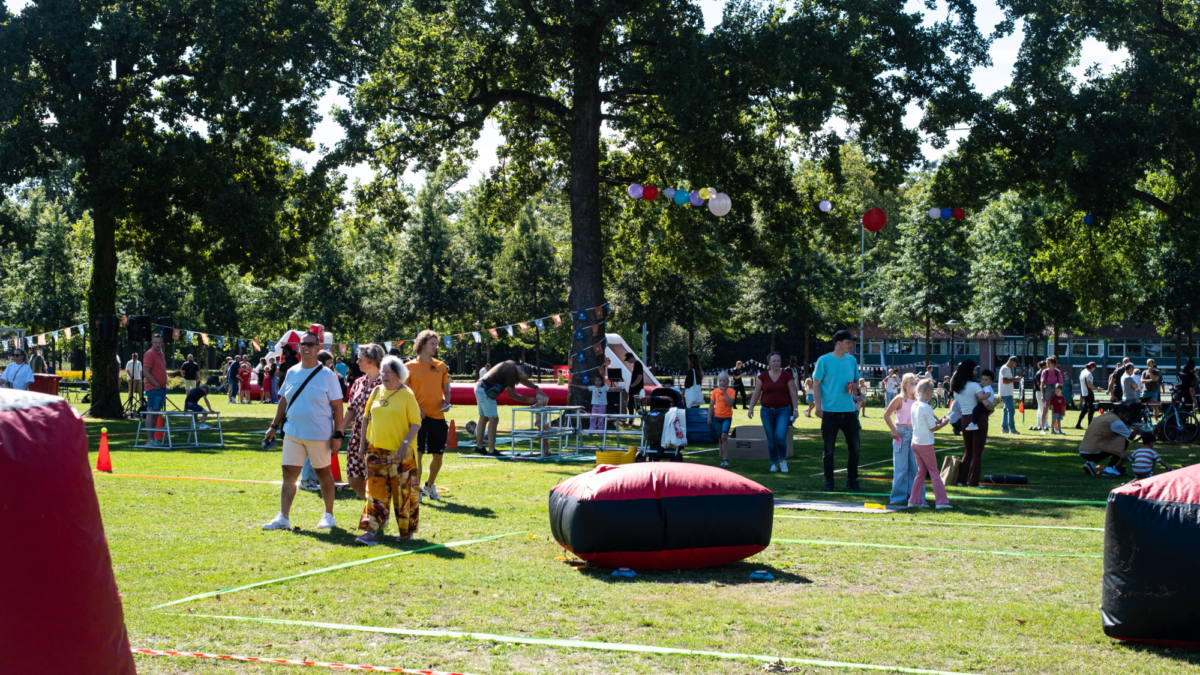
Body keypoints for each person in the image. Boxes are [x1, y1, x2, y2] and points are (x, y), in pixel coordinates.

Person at [262, 331, 345, 532]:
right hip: (293, 432)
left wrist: (337, 434)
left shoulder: (328, 376)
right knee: (288, 474)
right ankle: (283, 517)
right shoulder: (292, 371)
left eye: (310, 344)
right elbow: (283, 400)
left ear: (318, 347)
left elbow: (337, 407)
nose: (306, 347)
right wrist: (273, 425)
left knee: (323, 474)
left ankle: (328, 515)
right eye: (303, 344)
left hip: (319, 434)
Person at [354, 355, 423, 546]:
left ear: (398, 374)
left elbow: (416, 422)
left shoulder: (407, 394)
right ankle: (371, 531)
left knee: (403, 494)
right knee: (374, 492)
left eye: (388, 372)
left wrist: (405, 444)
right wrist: (362, 444)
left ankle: (406, 532)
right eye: (382, 372)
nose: (384, 375)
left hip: (401, 453)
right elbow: (366, 418)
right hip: (376, 450)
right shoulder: (376, 391)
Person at [812, 330, 862, 491]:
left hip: (849, 412)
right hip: (829, 413)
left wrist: (856, 388)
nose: (850, 345)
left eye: (851, 342)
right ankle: (829, 482)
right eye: (848, 342)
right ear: (838, 343)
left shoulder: (852, 360)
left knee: (855, 448)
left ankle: (852, 481)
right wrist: (818, 406)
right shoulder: (824, 360)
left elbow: (856, 382)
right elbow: (816, 384)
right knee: (828, 451)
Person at [406, 330, 451, 502]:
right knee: (417, 455)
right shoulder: (409, 367)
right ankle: (415, 488)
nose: (435, 347)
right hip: (417, 418)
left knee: (438, 456)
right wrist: (415, 408)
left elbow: (446, 391)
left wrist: (447, 402)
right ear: (422, 344)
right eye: (432, 343)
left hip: (438, 418)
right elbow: (405, 393)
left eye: (436, 343)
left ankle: (429, 485)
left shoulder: (441, 366)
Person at [337, 343, 385, 500]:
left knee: (376, 477)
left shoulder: (387, 382)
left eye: (360, 359)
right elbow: (351, 409)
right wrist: (341, 430)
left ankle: (376, 508)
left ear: (372, 359)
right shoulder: (358, 382)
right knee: (353, 478)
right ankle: (372, 505)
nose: (357, 362)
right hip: (357, 435)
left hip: (378, 435)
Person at [474, 360, 548, 456]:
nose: (522, 380)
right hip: (485, 392)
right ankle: (491, 451)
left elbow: (522, 380)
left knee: (483, 418)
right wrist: (530, 400)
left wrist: (535, 388)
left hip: (479, 387)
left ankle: (479, 447)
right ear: (520, 373)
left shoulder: (513, 365)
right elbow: (511, 395)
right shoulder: (511, 374)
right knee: (493, 419)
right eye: (522, 378)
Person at [747, 352, 799, 473]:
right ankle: (774, 463)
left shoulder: (786, 376)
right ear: (769, 363)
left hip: (784, 410)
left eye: (778, 361)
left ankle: (782, 461)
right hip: (766, 411)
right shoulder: (763, 376)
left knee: (780, 436)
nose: (776, 363)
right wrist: (751, 408)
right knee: (771, 439)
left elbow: (793, 393)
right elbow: (756, 393)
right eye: (774, 361)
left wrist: (795, 409)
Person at [910, 378, 952, 509]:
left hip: (915, 442)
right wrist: (944, 424)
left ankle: (914, 500)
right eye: (932, 392)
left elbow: (927, 423)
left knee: (921, 472)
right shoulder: (926, 407)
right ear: (928, 392)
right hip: (925, 444)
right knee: (934, 472)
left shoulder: (915, 405)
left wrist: (939, 422)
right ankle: (941, 502)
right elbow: (933, 428)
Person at [951, 359, 992, 487]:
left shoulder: (957, 387)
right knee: (977, 453)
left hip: (965, 419)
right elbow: (986, 403)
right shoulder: (974, 386)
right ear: (969, 370)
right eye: (974, 370)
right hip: (978, 419)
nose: (976, 372)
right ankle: (973, 482)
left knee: (968, 452)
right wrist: (992, 408)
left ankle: (961, 481)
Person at [883, 373, 918, 506]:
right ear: (904, 385)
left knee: (916, 468)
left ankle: (917, 497)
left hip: (915, 434)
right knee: (901, 467)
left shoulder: (919, 400)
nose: (914, 386)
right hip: (901, 434)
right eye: (911, 383)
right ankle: (898, 497)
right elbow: (886, 415)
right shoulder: (899, 399)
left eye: (916, 383)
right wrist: (893, 430)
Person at [1079, 402, 1140, 477]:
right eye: (1126, 416)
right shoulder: (1116, 421)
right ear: (1120, 414)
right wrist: (1136, 429)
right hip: (1094, 451)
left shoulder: (1104, 416)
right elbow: (1131, 436)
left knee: (1112, 440)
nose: (1127, 419)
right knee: (1124, 442)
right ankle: (1110, 468)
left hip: (1083, 450)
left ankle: (1090, 464)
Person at [142, 334, 168, 447]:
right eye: (155, 342)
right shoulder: (150, 354)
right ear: (152, 343)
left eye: (159, 342)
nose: (157, 344)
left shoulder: (161, 354)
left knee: (156, 413)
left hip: (161, 388)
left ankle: (153, 439)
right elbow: (145, 371)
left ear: (162, 343)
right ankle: (149, 440)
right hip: (154, 388)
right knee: (151, 412)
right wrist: (155, 383)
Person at [708, 372, 735, 468]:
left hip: (727, 417)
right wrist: (709, 417)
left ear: (727, 382)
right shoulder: (715, 392)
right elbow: (711, 405)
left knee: (724, 437)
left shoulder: (731, 391)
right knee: (720, 439)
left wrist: (724, 392)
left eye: (724, 381)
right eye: (720, 381)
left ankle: (725, 459)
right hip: (717, 417)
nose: (722, 383)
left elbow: (730, 403)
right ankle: (723, 458)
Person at [1039, 357, 1064, 431]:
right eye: (1047, 362)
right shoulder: (1045, 372)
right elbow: (1042, 384)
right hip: (1047, 390)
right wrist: (1042, 395)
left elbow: (1061, 383)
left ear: (1053, 363)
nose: (1047, 364)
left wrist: (1059, 393)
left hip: (1055, 390)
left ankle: (1056, 429)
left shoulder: (1057, 372)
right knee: (1045, 410)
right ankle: (1042, 429)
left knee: (1056, 411)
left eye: (1048, 363)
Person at [998, 357, 1019, 434]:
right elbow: (1004, 381)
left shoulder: (1007, 369)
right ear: (1011, 361)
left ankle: (1005, 429)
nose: (1015, 366)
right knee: (1011, 410)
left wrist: (1014, 379)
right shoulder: (1005, 369)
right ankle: (1012, 429)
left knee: (1006, 411)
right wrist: (1015, 379)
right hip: (1006, 393)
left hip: (1007, 393)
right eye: (1015, 364)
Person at [1075, 361, 1098, 429]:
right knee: (1091, 409)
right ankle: (1090, 425)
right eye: (1094, 369)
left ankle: (1078, 424)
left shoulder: (1082, 372)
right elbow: (1089, 385)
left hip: (1084, 393)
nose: (1093, 370)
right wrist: (1097, 389)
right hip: (1089, 393)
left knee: (1085, 409)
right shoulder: (1089, 374)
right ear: (1092, 367)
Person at [1030, 360, 1045, 431]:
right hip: (1039, 392)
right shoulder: (1039, 374)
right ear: (1043, 366)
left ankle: (1040, 423)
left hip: (1041, 392)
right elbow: (1039, 384)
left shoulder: (1042, 373)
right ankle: (1042, 423)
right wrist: (1043, 392)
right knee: (1042, 407)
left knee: (1041, 407)